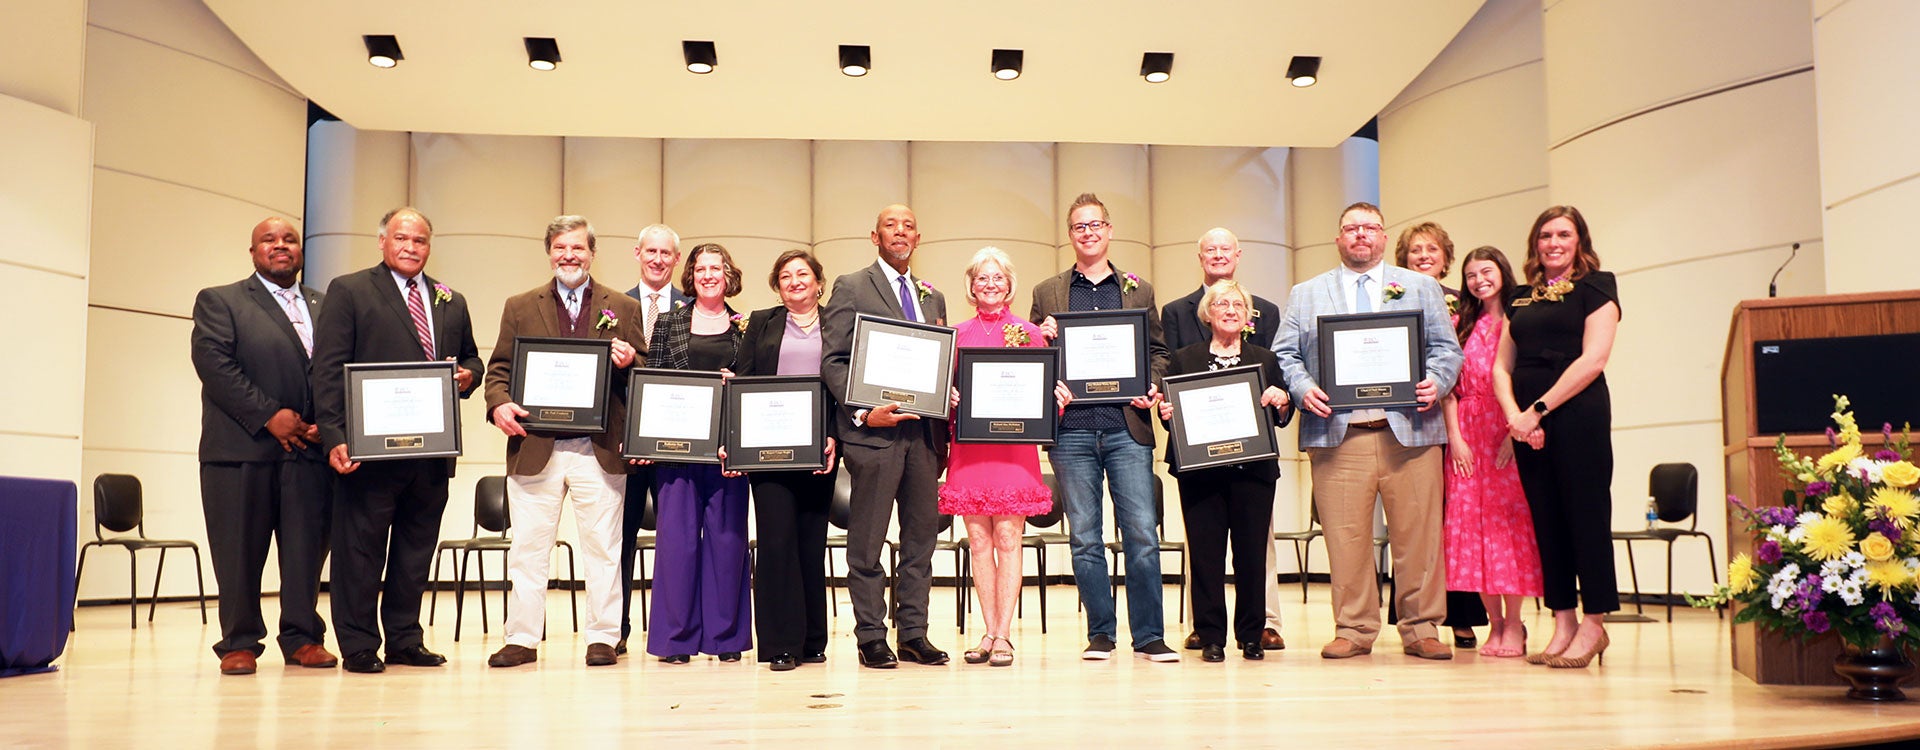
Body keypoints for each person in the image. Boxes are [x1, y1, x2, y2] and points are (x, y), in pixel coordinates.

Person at [1271, 201, 1463, 661]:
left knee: (1418, 536)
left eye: (1370, 228)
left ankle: (1422, 627)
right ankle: (1354, 628)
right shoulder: (1307, 292)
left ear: (1382, 237)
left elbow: (1447, 350)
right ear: (1339, 238)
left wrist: (1435, 382)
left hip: (1411, 433)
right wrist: (1302, 389)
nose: (1360, 235)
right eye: (1351, 228)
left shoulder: (1419, 286)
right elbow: (1285, 354)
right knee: (1346, 536)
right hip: (1338, 434)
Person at [312, 207, 482, 674]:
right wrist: (334, 436)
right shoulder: (349, 290)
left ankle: (406, 639)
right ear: (383, 241)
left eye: (421, 240)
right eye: (402, 239)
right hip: (370, 453)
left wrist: (468, 375)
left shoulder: (452, 298)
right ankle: (360, 643)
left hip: (431, 452)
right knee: (361, 550)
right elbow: (326, 370)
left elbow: (471, 358)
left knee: (415, 551)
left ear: (430, 245)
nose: (411, 248)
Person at [480, 216, 645, 669]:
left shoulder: (623, 307)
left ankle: (604, 637)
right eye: (560, 248)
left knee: (604, 549)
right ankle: (522, 638)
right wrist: (498, 405)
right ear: (549, 252)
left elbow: (644, 371)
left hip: (600, 448)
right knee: (529, 548)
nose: (568, 255)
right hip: (536, 445)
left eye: (577, 248)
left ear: (592, 253)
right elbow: (499, 370)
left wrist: (630, 359)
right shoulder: (519, 305)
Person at [1030, 192, 1177, 663]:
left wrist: (1151, 385)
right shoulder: (1047, 292)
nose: (1088, 232)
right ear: (1070, 235)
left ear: (1109, 231)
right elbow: (1032, 357)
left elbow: (1158, 353)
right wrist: (1043, 339)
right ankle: (1101, 633)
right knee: (1085, 537)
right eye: (1079, 226)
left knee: (1141, 534)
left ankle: (1149, 635)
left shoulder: (1140, 289)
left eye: (1096, 225)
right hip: (1070, 431)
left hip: (1126, 428)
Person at [188, 217, 336, 675]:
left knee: (305, 552)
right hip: (241, 450)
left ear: (300, 251)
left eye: (289, 239)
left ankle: (301, 636)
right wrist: (271, 416)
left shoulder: (325, 305)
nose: (281, 246)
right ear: (253, 252)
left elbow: (339, 369)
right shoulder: (221, 301)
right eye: (269, 240)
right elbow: (215, 366)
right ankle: (239, 642)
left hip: (310, 451)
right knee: (237, 552)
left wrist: (326, 427)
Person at [820, 204, 951, 669]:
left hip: (925, 437)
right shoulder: (851, 286)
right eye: (891, 225)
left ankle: (914, 632)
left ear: (918, 238)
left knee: (921, 542)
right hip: (874, 435)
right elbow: (833, 361)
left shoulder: (932, 297)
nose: (901, 231)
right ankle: (871, 635)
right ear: (874, 237)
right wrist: (861, 413)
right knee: (868, 541)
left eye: (909, 225)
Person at [1493, 205, 1621, 669]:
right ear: (1535, 243)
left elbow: (1594, 360)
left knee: (1585, 517)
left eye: (1563, 234)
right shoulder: (1522, 297)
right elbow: (1501, 365)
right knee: (1546, 522)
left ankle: (1595, 622)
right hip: (1527, 424)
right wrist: (1516, 416)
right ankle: (1563, 618)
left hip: (1577, 414)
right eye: (1545, 235)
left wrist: (1539, 410)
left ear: (1579, 241)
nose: (1553, 243)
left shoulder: (1597, 286)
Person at [1161, 227, 1287, 653]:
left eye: (1237, 304)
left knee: (1251, 555)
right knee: (1207, 556)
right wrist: (1168, 415)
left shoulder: (1264, 360)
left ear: (1248, 315)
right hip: (1201, 472)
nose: (1229, 310)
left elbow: (1283, 415)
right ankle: (1211, 636)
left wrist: (1281, 397)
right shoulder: (1185, 359)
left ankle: (1251, 636)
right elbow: (1171, 417)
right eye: (1221, 304)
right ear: (1207, 313)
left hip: (1252, 470)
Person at [940, 247, 1067, 667]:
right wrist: (949, 397)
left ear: (1009, 283)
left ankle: (1004, 635)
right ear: (971, 286)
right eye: (981, 278)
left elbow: (1046, 392)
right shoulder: (955, 336)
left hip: (1014, 451)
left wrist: (1056, 399)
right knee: (979, 541)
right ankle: (987, 630)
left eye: (997, 277)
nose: (990, 284)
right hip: (970, 449)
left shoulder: (1030, 333)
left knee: (1009, 539)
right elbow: (937, 392)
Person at [639, 242, 752, 664]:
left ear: (728, 275)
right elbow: (653, 379)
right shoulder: (669, 322)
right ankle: (675, 640)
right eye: (701, 268)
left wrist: (735, 381)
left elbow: (753, 385)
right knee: (677, 545)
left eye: (716, 268)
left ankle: (725, 639)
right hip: (677, 450)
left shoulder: (745, 325)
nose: (708, 275)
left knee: (727, 542)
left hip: (727, 454)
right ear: (691, 275)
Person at [735, 249, 840, 672]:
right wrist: (736, 441)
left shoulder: (839, 322)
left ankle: (813, 640)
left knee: (810, 543)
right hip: (768, 451)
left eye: (803, 274)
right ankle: (780, 643)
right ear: (777, 285)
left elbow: (845, 386)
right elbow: (742, 379)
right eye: (785, 275)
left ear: (818, 281)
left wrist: (835, 437)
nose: (795, 281)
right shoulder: (761, 322)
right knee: (777, 544)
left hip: (820, 449)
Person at [1442, 246, 1543, 658]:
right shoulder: (1458, 324)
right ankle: (1494, 624)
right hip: (1466, 431)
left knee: (1506, 527)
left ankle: (1515, 624)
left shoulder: (1522, 320)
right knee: (1471, 529)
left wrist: (1513, 433)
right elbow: (1448, 387)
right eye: (1470, 275)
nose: (1479, 280)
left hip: (1505, 428)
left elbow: (1528, 380)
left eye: (1486, 271)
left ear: (1502, 271)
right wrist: (1456, 437)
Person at [1393, 222, 1488, 648]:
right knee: (1417, 526)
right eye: (1415, 250)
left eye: (1432, 249)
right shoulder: (1391, 298)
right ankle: (1417, 617)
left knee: (1459, 523)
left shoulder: (1465, 306)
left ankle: (1462, 615)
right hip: (1411, 422)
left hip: (1464, 425)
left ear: (1447, 257)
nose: (1424, 256)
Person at [618, 223, 689, 655]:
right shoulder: (613, 306)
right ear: (637, 253)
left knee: (677, 539)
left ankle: (675, 629)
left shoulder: (695, 307)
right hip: (625, 446)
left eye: (666, 253)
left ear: (676, 260)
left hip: (680, 447)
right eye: (651, 252)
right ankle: (617, 628)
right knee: (620, 537)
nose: (658, 259)